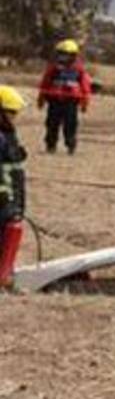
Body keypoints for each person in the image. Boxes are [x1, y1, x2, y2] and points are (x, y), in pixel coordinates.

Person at [37, 39, 92, 156]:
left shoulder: (79, 70)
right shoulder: (53, 69)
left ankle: (71, 145)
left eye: (66, 54)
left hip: (71, 102)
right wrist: (41, 99)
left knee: (70, 125)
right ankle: (50, 146)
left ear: (73, 55)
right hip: (54, 101)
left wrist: (85, 103)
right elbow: (44, 84)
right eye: (61, 53)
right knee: (52, 124)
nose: (63, 57)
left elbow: (85, 87)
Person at [0, 86, 29, 287]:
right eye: (11, 112)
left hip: (13, 194)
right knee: (10, 227)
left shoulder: (7, 133)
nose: (15, 117)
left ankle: (4, 271)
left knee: (10, 228)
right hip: (3, 196)